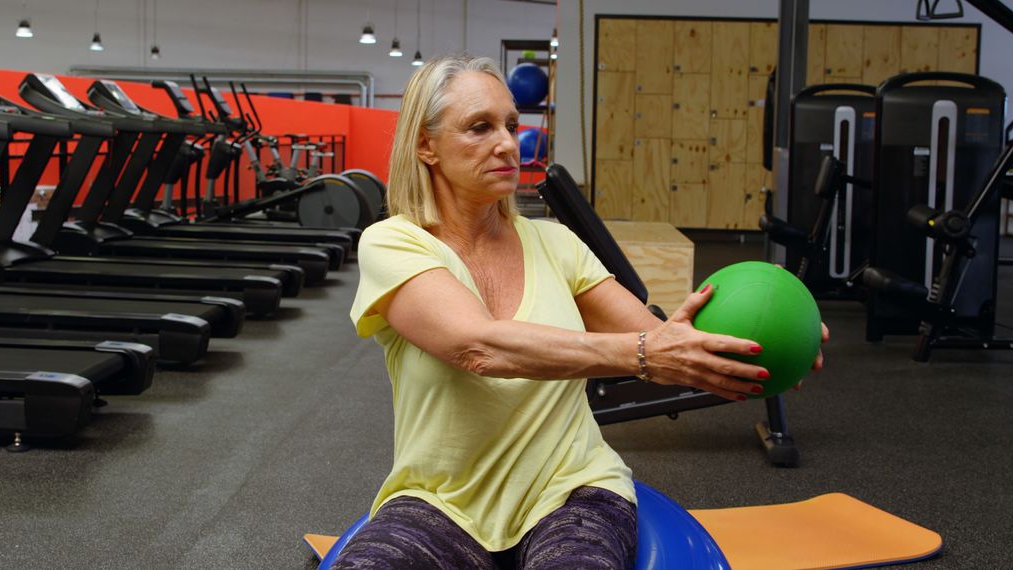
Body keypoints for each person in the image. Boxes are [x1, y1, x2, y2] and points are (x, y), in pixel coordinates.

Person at [342, 54, 827, 570]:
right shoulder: (392, 243)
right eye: (479, 127)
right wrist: (645, 354)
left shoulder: (557, 243)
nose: (508, 143)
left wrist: (753, 351)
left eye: (511, 124)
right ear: (425, 145)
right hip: (439, 502)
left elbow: (660, 341)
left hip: (570, 491)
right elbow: (477, 346)